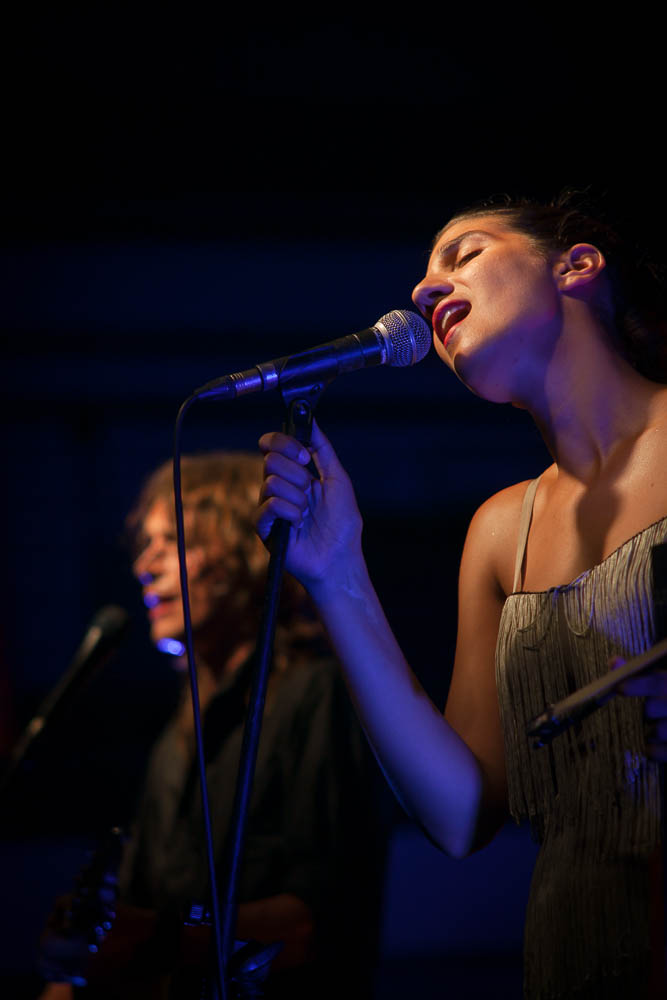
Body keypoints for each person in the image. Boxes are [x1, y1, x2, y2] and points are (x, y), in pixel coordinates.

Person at [255, 193, 667, 999]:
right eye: (425, 270)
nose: (421, 289)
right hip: (570, 956)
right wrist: (338, 575)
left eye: (464, 253)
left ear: (576, 266)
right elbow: (457, 812)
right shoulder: (497, 530)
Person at [41, 451, 382, 999]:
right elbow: (132, 915)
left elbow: (312, 925)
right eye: (145, 546)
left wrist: (149, 936)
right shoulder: (172, 742)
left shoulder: (315, 697)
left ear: (248, 548)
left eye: (173, 542)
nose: (144, 566)